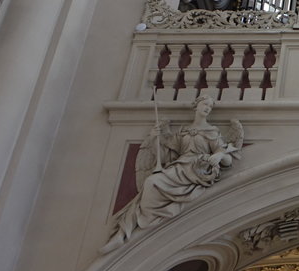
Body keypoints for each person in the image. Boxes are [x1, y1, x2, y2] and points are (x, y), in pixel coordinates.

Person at [103, 96, 242, 252]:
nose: (207, 108)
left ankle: (133, 230)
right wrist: (156, 137)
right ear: (196, 106)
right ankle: (131, 230)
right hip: (178, 168)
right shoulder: (183, 131)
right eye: (205, 104)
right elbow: (164, 157)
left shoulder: (212, 132)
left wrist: (219, 155)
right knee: (150, 182)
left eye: (210, 106)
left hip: (197, 171)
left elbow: (228, 160)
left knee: (152, 184)